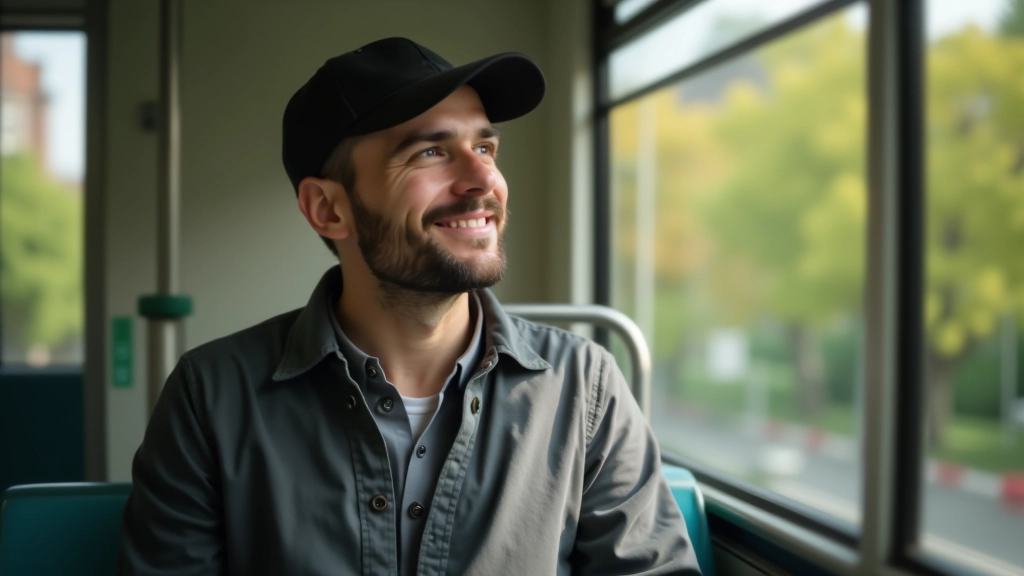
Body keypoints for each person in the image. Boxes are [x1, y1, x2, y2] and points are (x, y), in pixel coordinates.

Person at [116, 37, 701, 576]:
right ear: (328, 209)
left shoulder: (584, 388)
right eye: (429, 153)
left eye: (485, 146)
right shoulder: (210, 396)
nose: (483, 179)